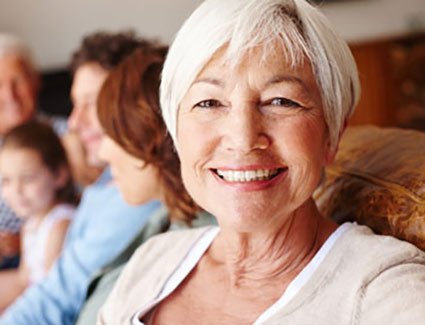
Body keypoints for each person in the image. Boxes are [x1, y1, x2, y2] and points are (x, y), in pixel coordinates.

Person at [99, 0, 425, 324]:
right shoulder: (153, 260)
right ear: (177, 133)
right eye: (209, 102)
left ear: (332, 135)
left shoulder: (383, 293)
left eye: (280, 101)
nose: (242, 138)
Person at [0, 31, 162, 324]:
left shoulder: (135, 192)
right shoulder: (107, 180)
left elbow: (56, 293)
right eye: (76, 103)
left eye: (92, 103)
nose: (74, 122)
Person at [76, 46, 216, 325]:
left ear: (150, 135)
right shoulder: (164, 220)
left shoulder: (205, 246)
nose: (103, 153)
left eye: (111, 134)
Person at [0, 34, 92, 270]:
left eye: (18, 81)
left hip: (46, 253)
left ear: (35, 81)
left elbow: (92, 204)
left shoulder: (70, 135)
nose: (9, 95)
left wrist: (30, 238)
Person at [0, 121, 77, 311]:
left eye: (27, 178)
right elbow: (22, 281)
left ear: (59, 175)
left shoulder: (60, 224)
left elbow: (51, 295)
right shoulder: (30, 224)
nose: (16, 191)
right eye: (6, 181)